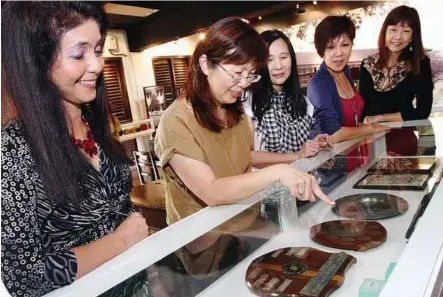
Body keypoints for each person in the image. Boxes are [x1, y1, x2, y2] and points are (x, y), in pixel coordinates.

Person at [1, 2, 151, 296]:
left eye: (97, 50)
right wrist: (120, 241)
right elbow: (24, 277)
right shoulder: (12, 151)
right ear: (38, 61)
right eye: (78, 54)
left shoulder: (97, 123)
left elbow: (122, 210)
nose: (96, 65)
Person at [154, 17, 335, 230]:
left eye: (251, 75)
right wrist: (277, 171)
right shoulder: (175, 120)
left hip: (246, 223)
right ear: (205, 65)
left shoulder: (235, 108)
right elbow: (211, 191)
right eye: (237, 73)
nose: (243, 84)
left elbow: (244, 155)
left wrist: (293, 160)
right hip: (202, 239)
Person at [242, 29, 333, 168]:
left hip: (300, 182)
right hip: (264, 186)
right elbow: (247, 156)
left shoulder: (304, 103)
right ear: (258, 63)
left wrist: (316, 143)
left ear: (292, 59)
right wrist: (296, 155)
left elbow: (307, 146)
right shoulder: (247, 101)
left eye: (284, 57)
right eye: (269, 60)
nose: (278, 66)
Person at [307, 15, 391, 143]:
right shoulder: (318, 84)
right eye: (331, 47)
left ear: (352, 45)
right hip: (334, 160)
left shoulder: (346, 72)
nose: (339, 53)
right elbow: (334, 133)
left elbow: (353, 121)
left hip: (355, 151)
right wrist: (370, 129)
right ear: (320, 51)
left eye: (345, 45)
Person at [359, 5, 433, 124]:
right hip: (371, 135)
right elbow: (361, 108)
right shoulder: (368, 64)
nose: (398, 37)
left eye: (406, 31)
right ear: (385, 31)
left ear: (412, 37)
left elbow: (423, 111)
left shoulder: (420, 63)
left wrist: (381, 118)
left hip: (404, 133)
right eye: (393, 29)